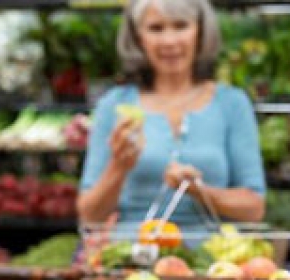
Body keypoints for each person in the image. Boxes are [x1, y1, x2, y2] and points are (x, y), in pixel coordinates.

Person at [77, 0, 266, 233]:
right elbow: (89, 216)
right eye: (156, 28)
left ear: (200, 31)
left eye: (181, 26)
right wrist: (118, 166)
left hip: (210, 262)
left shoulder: (232, 104)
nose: (169, 41)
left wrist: (198, 190)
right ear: (138, 37)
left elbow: (254, 208)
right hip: (132, 255)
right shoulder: (114, 105)